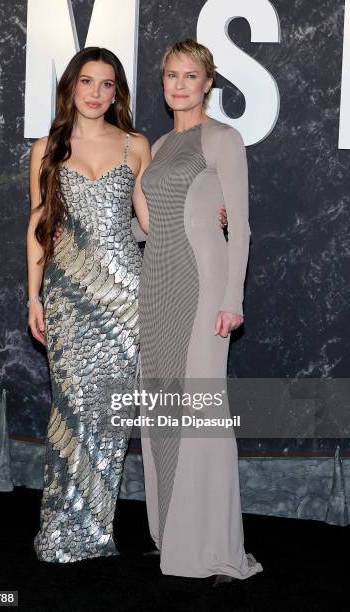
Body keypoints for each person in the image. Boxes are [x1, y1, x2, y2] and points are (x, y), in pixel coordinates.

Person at [138, 39, 263, 583]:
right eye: (172, 75)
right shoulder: (161, 144)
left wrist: (233, 300)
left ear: (208, 83)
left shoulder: (224, 139)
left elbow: (241, 224)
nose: (180, 84)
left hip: (203, 289)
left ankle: (213, 545)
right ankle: (172, 534)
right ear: (163, 82)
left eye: (191, 75)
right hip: (157, 286)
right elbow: (149, 228)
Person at [26, 46, 150, 562]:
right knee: (72, 409)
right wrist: (32, 296)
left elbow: (151, 220)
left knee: (108, 417)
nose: (96, 93)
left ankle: (96, 532)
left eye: (106, 84)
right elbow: (38, 228)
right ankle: (61, 530)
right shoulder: (47, 148)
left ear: (117, 91)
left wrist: (208, 219)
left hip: (124, 301)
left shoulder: (136, 145)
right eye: (87, 82)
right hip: (67, 299)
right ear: (71, 87)